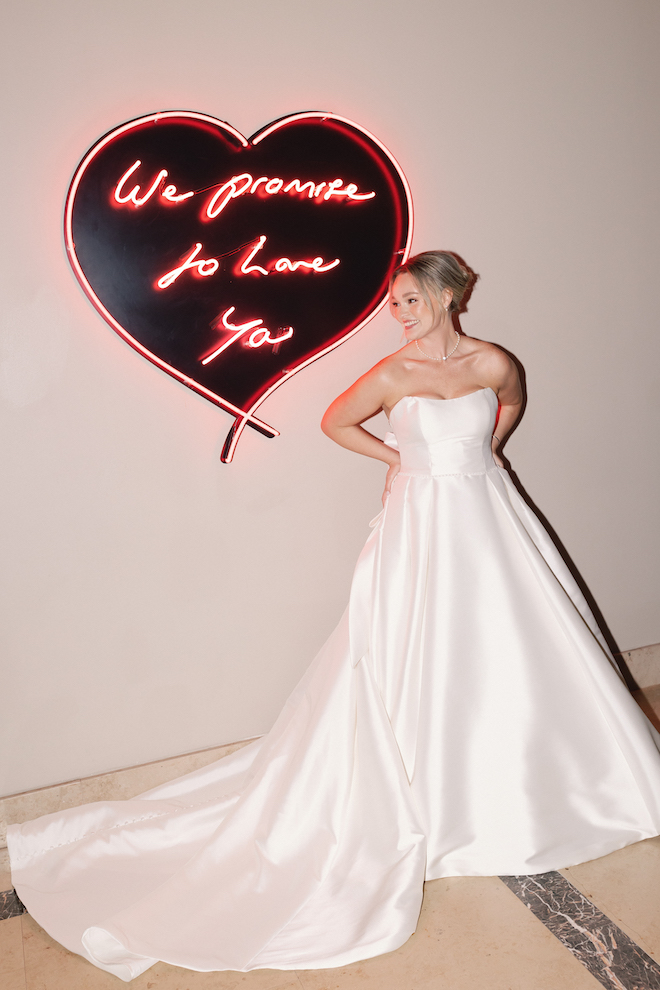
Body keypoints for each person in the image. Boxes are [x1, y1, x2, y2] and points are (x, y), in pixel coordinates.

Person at [8, 252, 660, 983]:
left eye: (410, 299)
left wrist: (486, 455)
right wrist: (398, 459)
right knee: (424, 649)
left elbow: (508, 405)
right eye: (396, 302)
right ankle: (439, 800)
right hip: (423, 525)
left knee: (519, 645)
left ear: (449, 296)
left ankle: (553, 787)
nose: (400, 313)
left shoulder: (493, 361)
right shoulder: (392, 372)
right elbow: (334, 421)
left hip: (489, 513)